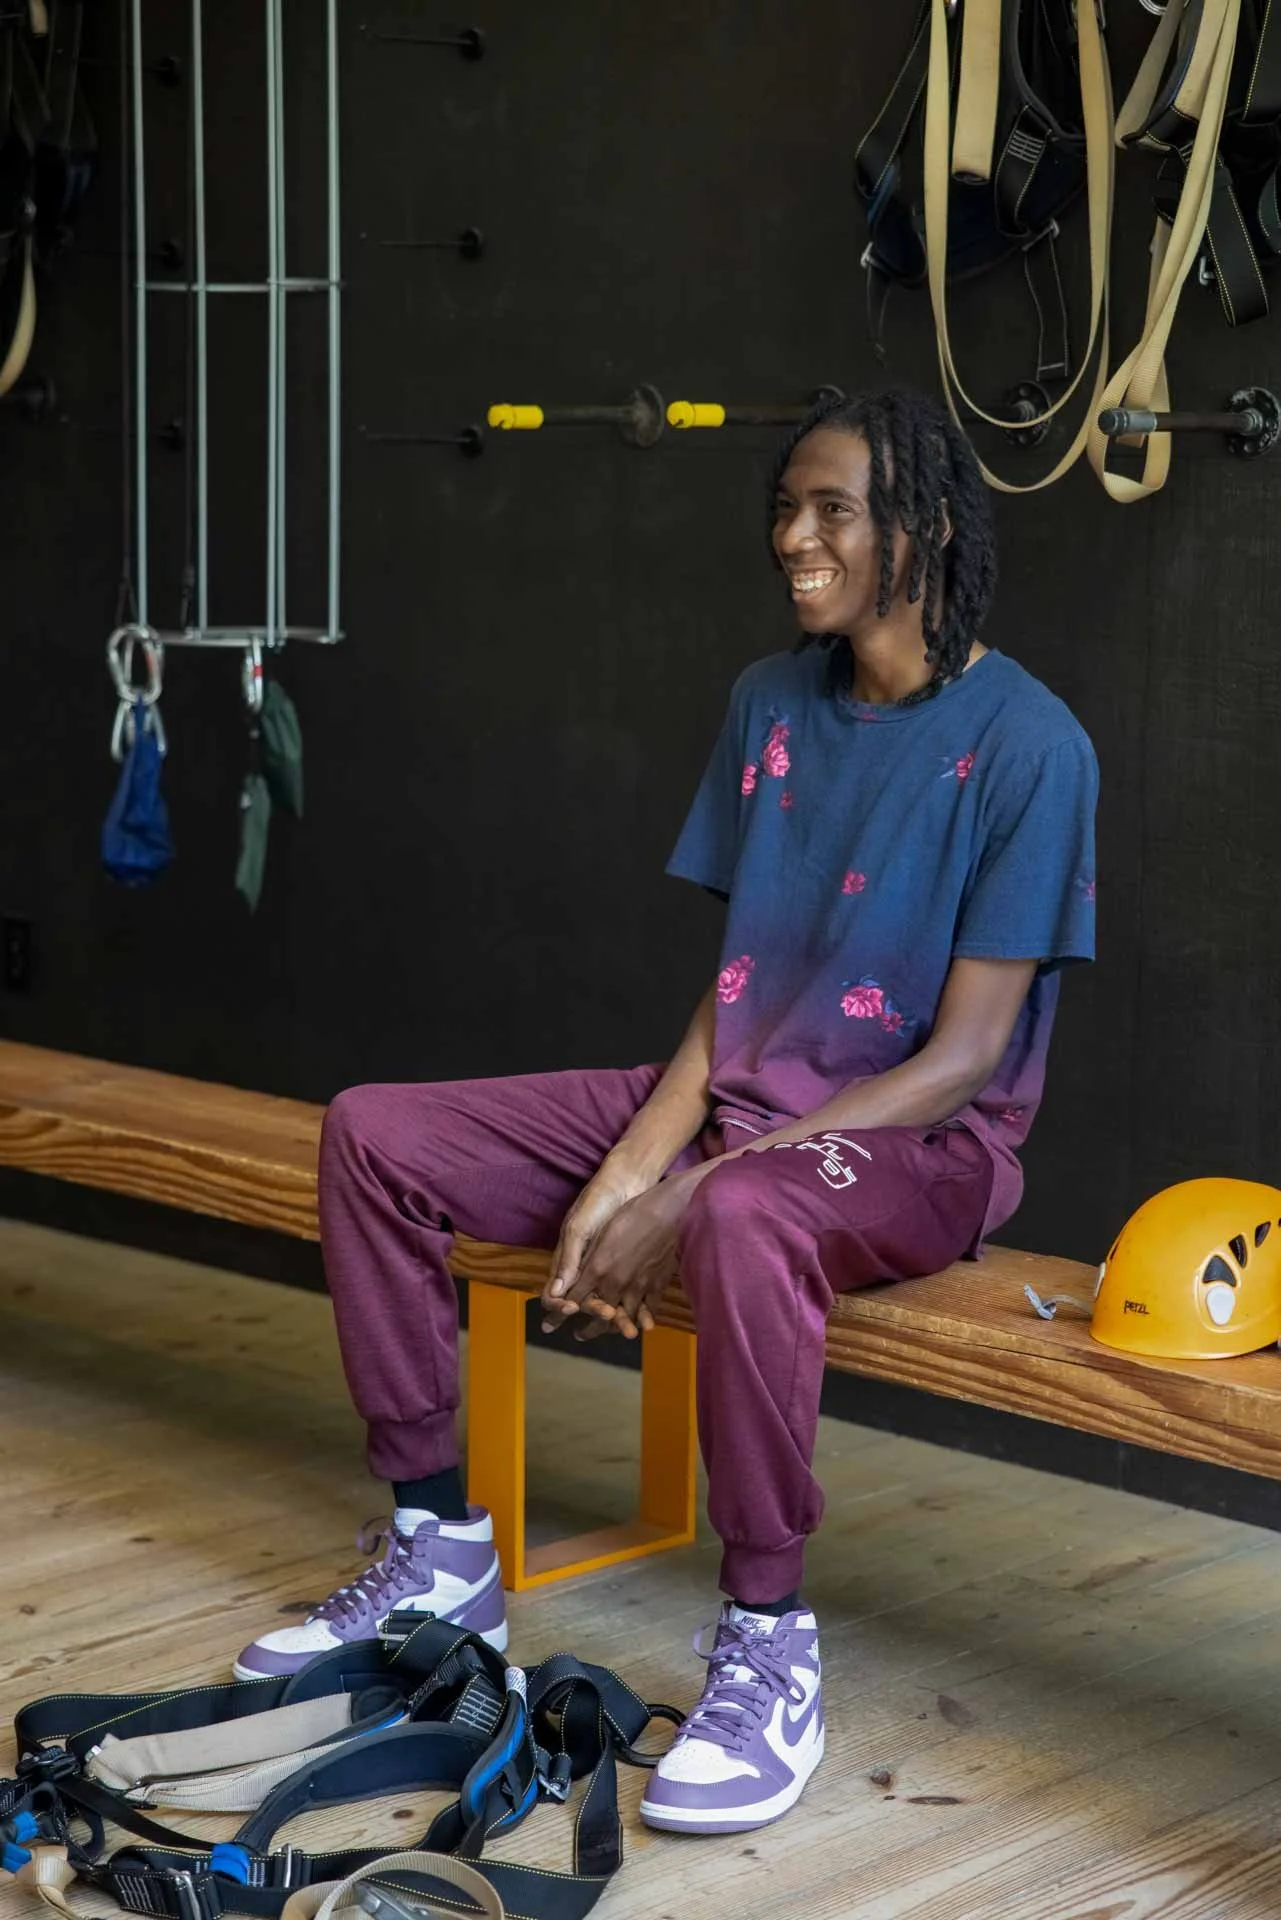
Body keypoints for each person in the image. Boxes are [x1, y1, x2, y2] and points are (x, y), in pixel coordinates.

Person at [235, 388, 1097, 1836]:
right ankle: (440, 1542)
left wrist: (693, 1193)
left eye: (832, 511)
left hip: (917, 1148)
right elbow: (743, 981)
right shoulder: (770, 703)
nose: (794, 539)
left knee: (748, 1210)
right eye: (784, 509)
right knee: (374, 1133)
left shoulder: (1032, 745)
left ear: (928, 527)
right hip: (741, 1112)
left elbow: (964, 1059)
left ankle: (770, 1637)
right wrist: (629, 1171)